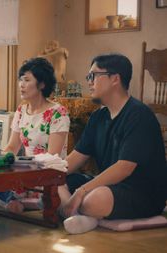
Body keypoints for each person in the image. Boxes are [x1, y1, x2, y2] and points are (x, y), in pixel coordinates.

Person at [60, 53, 167, 234]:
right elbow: (77, 156)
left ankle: (78, 212)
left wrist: (81, 191)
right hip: (108, 186)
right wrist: (51, 175)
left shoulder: (139, 115)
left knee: (94, 199)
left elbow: (124, 168)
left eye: (93, 76)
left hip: (141, 193)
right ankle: (83, 215)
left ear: (115, 78)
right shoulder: (98, 116)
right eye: (89, 77)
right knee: (56, 181)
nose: (89, 81)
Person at [0, 57, 70, 213]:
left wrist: (24, 168)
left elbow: (53, 156)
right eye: (20, 80)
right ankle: (17, 201)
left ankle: (15, 201)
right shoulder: (21, 111)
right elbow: (12, 146)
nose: (21, 85)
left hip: (47, 173)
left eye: (26, 80)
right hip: (24, 173)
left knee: (58, 198)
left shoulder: (58, 113)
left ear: (42, 84)